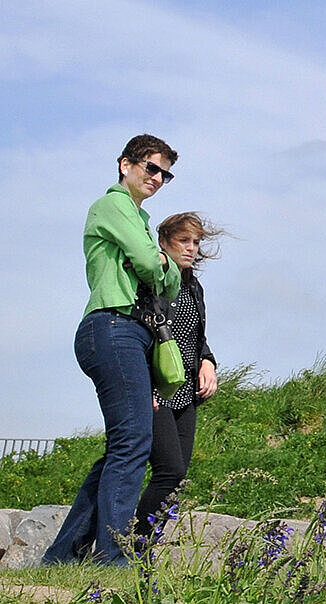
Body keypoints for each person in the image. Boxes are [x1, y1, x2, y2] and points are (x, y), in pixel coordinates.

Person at [45, 134, 183, 566]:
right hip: (111, 325)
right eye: (151, 168)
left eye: (165, 173)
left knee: (124, 445)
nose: (158, 178)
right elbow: (150, 264)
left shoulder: (141, 220)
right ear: (126, 165)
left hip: (132, 333)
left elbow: (173, 282)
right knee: (132, 443)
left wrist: (159, 263)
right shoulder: (112, 206)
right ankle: (112, 557)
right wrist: (156, 261)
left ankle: (63, 555)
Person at [134, 212, 224, 542]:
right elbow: (140, 333)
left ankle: (143, 550)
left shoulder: (194, 287)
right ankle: (135, 544)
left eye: (196, 242)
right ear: (163, 243)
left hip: (187, 390)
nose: (191, 249)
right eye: (184, 241)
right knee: (169, 470)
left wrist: (208, 362)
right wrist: (142, 384)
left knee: (178, 477)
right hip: (156, 388)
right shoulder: (152, 282)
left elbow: (196, 337)